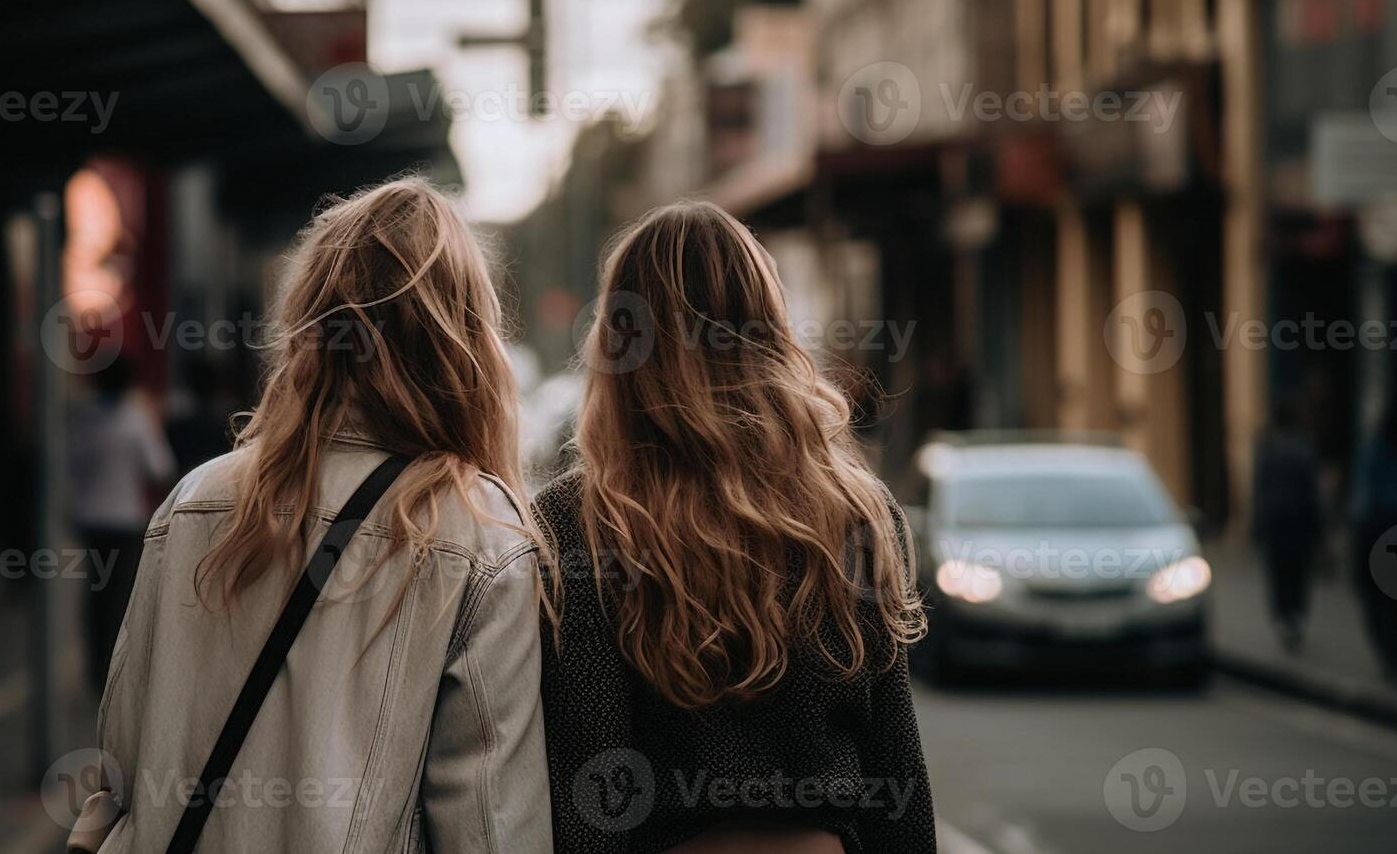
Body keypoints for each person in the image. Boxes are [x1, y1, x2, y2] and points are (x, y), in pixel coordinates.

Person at [71, 179, 552, 853]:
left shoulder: (195, 503)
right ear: (461, 338)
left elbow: (121, 755)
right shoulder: (481, 534)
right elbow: (490, 826)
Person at [535, 203, 934, 854]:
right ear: (770, 329)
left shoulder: (578, 522)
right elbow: (896, 770)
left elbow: (594, 783)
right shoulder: (856, 510)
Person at [67, 356, 177, 691]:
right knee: (120, 597)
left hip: (90, 518)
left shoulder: (83, 419)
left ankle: (94, 667)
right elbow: (159, 467)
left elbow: (70, 465)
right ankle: (113, 671)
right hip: (125, 520)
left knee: (95, 593)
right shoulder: (134, 419)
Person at [1251, 400, 1325, 654]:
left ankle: (1285, 618)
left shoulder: (1269, 448)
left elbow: (1259, 490)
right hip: (1298, 523)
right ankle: (1295, 616)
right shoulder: (1303, 449)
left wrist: (1257, 526)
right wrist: (1318, 529)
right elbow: (1313, 493)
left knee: (1279, 573)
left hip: (1275, 523)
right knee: (1298, 573)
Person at [1350, 404, 1397, 681]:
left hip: (1376, 532)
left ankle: (1388, 652)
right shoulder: (1377, 452)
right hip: (1380, 530)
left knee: (1375, 597)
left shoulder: (1374, 451)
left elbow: (1363, 499)